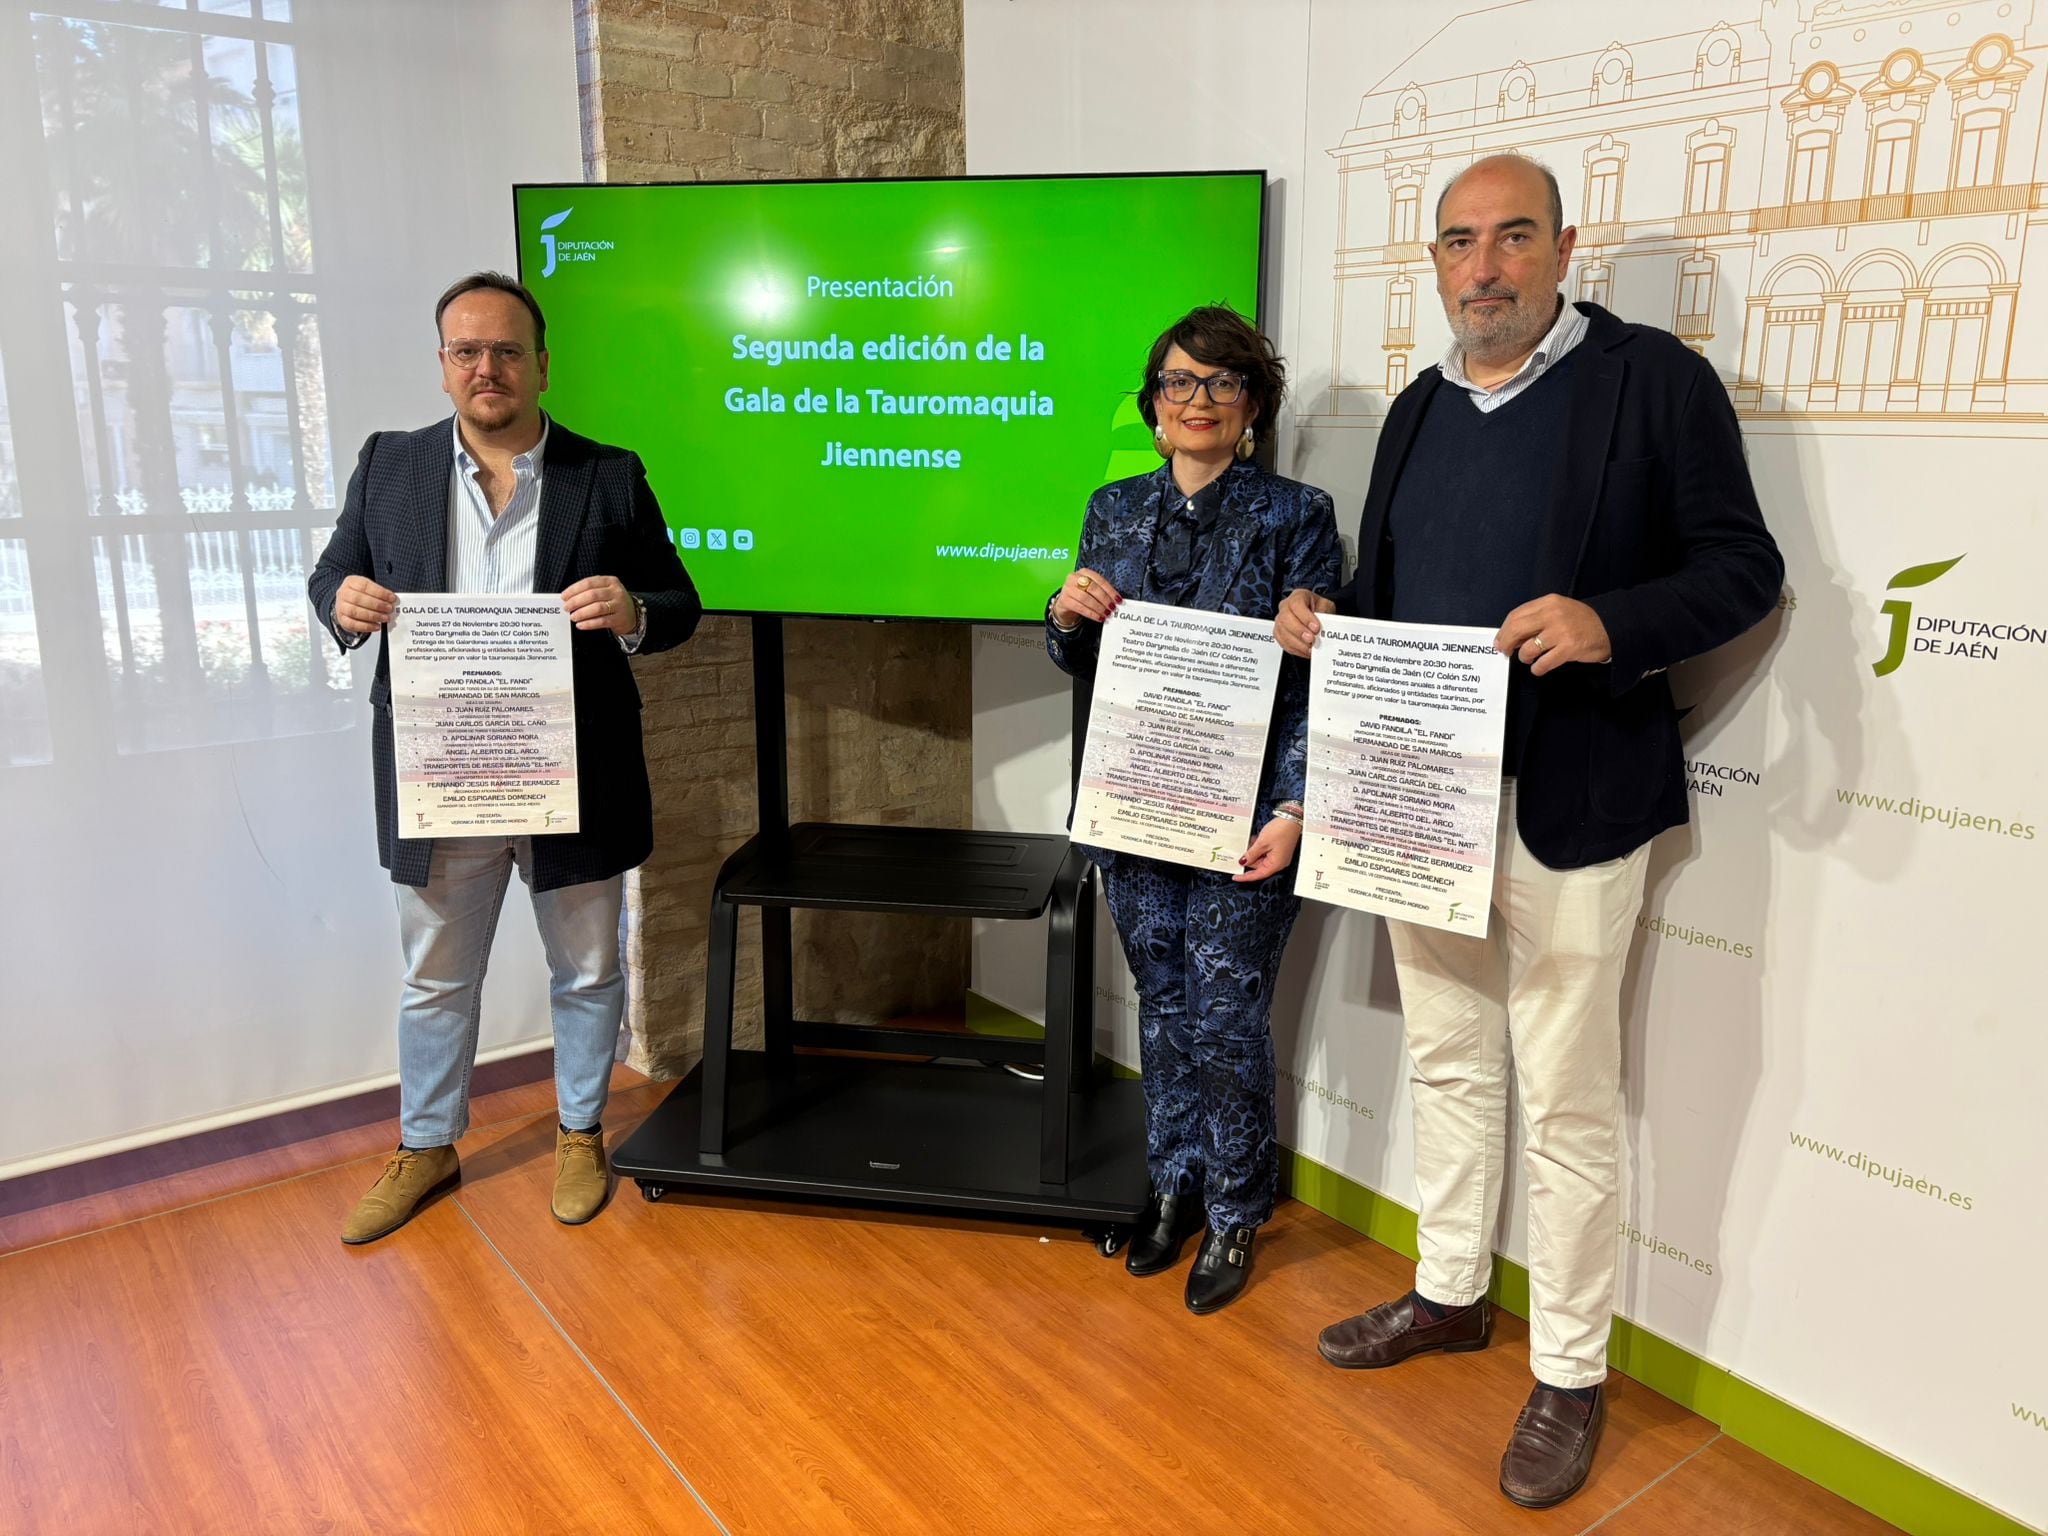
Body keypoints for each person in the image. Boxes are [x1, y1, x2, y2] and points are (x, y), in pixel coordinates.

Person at [1275, 155, 1781, 1507]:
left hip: (1570, 800)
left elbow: (1745, 568)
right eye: (1457, 244)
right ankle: (1449, 1292)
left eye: (1510, 240)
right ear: (1432, 264)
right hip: (1418, 802)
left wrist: (1612, 625)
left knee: (1565, 1095)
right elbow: (1388, 589)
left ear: (1565, 246)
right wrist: (1327, 623)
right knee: (1447, 1063)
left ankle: (1569, 1372)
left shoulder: (1651, 384)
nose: (1483, 269)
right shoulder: (1422, 406)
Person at [309, 271, 701, 1245]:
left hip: (573, 776)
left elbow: (677, 602)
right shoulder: (389, 466)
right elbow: (332, 571)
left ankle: (579, 1132)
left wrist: (634, 612)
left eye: (506, 351)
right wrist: (343, 603)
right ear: (443, 367)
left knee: (584, 971)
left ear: (539, 364)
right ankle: (427, 1143)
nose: (488, 368)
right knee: (436, 976)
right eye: (466, 351)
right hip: (442, 777)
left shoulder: (605, 474)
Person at [1048, 306, 1340, 1315]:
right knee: (1161, 1005)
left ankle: (1233, 1210)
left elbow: (1316, 680)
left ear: (1252, 403)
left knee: (1224, 1017)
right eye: (1178, 382)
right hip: (1138, 803)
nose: (1198, 401)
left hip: (1247, 812)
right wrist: (1063, 614)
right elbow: (1081, 654)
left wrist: (1296, 803)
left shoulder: (1296, 515)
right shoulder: (1111, 508)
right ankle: (1170, 1181)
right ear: (1152, 404)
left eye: (1221, 383)